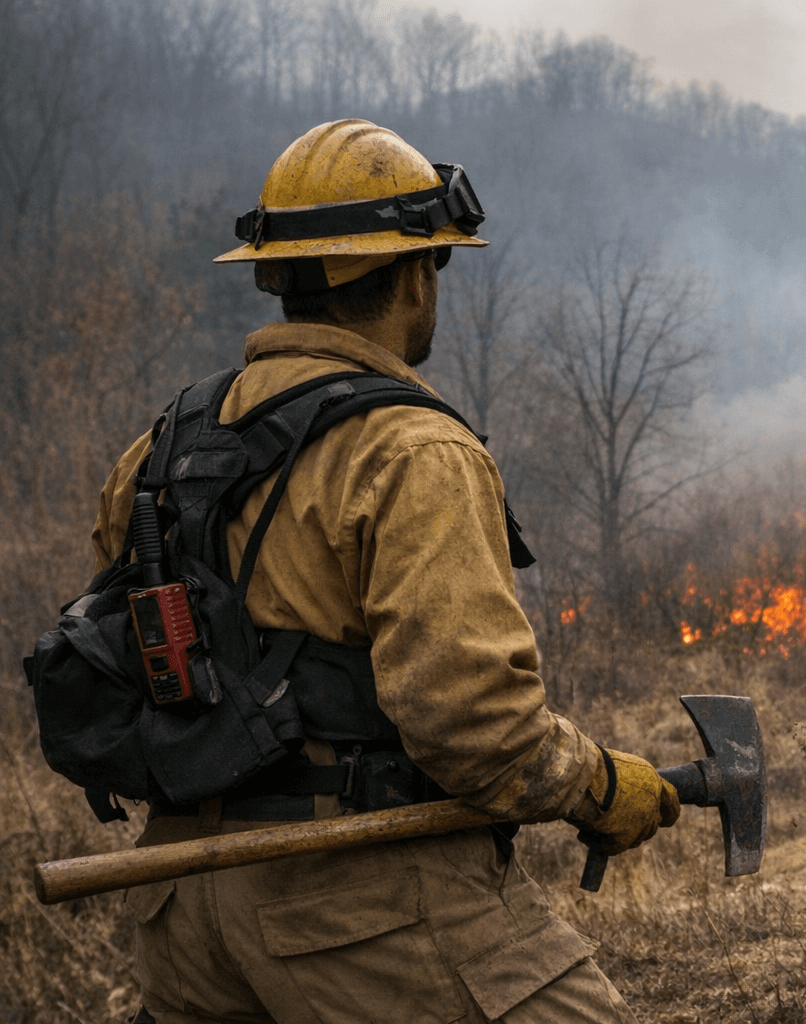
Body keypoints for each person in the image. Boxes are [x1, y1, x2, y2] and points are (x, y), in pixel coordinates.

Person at [90, 119, 679, 1023]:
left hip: (180, 907)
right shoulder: (414, 453)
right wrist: (601, 787)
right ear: (413, 273)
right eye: (434, 265)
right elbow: (474, 726)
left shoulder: (162, 446)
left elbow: (114, 643)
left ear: (275, 275)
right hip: (355, 897)